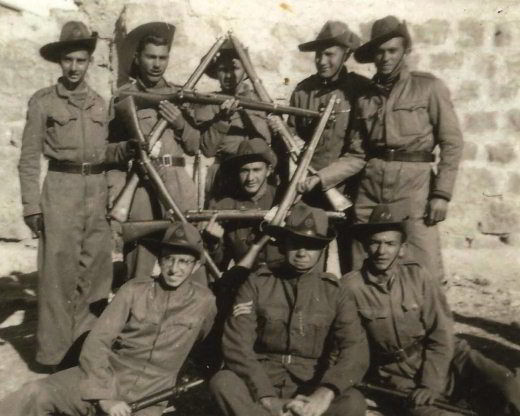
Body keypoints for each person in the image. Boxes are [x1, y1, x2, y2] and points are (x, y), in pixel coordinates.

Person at [0, 222, 217, 416]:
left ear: (196, 266)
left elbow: (205, 345)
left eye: (184, 261)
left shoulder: (205, 303)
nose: (174, 268)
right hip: (105, 377)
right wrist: (104, 397)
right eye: (169, 259)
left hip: (150, 396)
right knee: (35, 393)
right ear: (160, 260)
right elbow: (98, 341)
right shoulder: (134, 290)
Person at [301, 16, 464, 283]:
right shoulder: (365, 97)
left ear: (405, 51)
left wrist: (442, 194)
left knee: (424, 270)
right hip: (370, 190)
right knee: (358, 267)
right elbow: (357, 153)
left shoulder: (428, 87)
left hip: (415, 189)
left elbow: (452, 142)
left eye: (392, 51)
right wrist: (321, 178)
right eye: (379, 51)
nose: (385, 58)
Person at [19, 21, 129, 368]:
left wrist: (122, 165)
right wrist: (30, 206)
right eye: (68, 60)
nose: (74, 68)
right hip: (61, 190)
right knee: (58, 275)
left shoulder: (101, 103)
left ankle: (85, 350)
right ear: (59, 62)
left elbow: (107, 153)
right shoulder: (43, 102)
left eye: (80, 61)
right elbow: (28, 159)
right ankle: (52, 356)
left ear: (89, 62)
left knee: (96, 274)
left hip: (96, 191)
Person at [343, 204, 520, 416]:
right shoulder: (350, 288)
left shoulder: (418, 277)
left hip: (452, 356)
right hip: (398, 373)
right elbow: (349, 344)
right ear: (365, 246)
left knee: (509, 388)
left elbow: (442, 332)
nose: (382, 251)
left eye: (390, 244)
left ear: (402, 249)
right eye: (375, 243)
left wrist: (431, 383)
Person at [209, 202, 368, 416]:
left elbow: (355, 349)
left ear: (322, 248)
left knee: (353, 402)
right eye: (296, 243)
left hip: (310, 387)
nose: (302, 252)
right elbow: (237, 344)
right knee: (224, 382)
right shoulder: (257, 283)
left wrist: (324, 393)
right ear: (284, 244)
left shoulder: (335, 292)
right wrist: (267, 399)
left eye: (311, 245)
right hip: (262, 382)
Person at [270, 21, 370, 274]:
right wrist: (280, 133)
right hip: (309, 194)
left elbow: (359, 152)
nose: (322, 61)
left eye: (329, 54)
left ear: (345, 55)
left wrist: (323, 179)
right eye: (318, 54)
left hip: (348, 192)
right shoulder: (304, 91)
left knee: (352, 266)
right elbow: (292, 138)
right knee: (310, 265)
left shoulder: (359, 90)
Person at [107, 22, 202, 282]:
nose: (157, 64)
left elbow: (196, 146)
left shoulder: (181, 94)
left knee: (183, 255)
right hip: (142, 185)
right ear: (138, 58)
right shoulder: (124, 97)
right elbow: (110, 151)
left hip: (178, 182)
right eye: (150, 57)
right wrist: (115, 192)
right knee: (139, 261)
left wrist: (181, 123)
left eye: (163, 57)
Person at [194, 39, 272, 201]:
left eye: (235, 68)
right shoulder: (210, 104)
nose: (229, 75)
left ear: (245, 70)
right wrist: (222, 119)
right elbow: (207, 149)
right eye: (223, 69)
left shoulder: (261, 101)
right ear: (216, 72)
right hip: (227, 179)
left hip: (260, 179)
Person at [203, 138, 282, 272]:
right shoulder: (225, 206)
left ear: (268, 171)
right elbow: (218, 265)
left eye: (256, 170)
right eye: (244, 171)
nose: (250, 178)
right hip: (246, 281)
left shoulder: (283, 199)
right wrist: (213, 244)